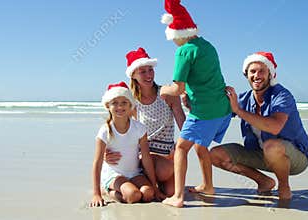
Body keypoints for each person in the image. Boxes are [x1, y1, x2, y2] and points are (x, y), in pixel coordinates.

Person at [210, 52, 308, 200]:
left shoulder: (282, 96)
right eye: (252, 71)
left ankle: (284, 187)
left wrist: (238, 111)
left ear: (270, 74)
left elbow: (274, 127)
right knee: (215, 155)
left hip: (295, 157)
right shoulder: (243, 99)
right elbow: (215, 112)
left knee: (271, 146)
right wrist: (192, 102)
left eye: (262, 71)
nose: (257, 75)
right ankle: (263, 181)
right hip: (260, 154)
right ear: (246, 74)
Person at [159, 0, 232, 208]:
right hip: (223, 109)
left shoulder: (184, 51)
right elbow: (203, 78)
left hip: (205, 112)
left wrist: (161, 90)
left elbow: (177, 88)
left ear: (176, 32)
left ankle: (178, 197)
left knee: (181, 148)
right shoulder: (207, 45)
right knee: (201, 146)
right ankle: (208, 186)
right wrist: (188, 93)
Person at [104, 47, 186, 197]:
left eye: (150, 70)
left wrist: (180, 148)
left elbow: (184, 126)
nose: (149, 75)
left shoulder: (167, 94)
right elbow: (118, 128)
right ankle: (115, 186)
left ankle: (151, 184)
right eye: (143, 71)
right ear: (133, 75)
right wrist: (106, 152)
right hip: (142, 154)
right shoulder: (130, 101)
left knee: (171, 191)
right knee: (148, 188)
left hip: (166, 155)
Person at [90, 82, 163, 207]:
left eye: (124, 102)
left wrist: (155, 186)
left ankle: (135, 188)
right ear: (108, 105)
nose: (120, 107)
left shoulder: (139, 128)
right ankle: (108, 190)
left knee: (148, 193)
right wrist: (96, 194)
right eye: (115, 103)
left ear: (130, 105)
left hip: (134, 173)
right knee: (133, 195)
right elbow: (97, 163)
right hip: (114, 174)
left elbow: (146, 158)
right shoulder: (105, 130)